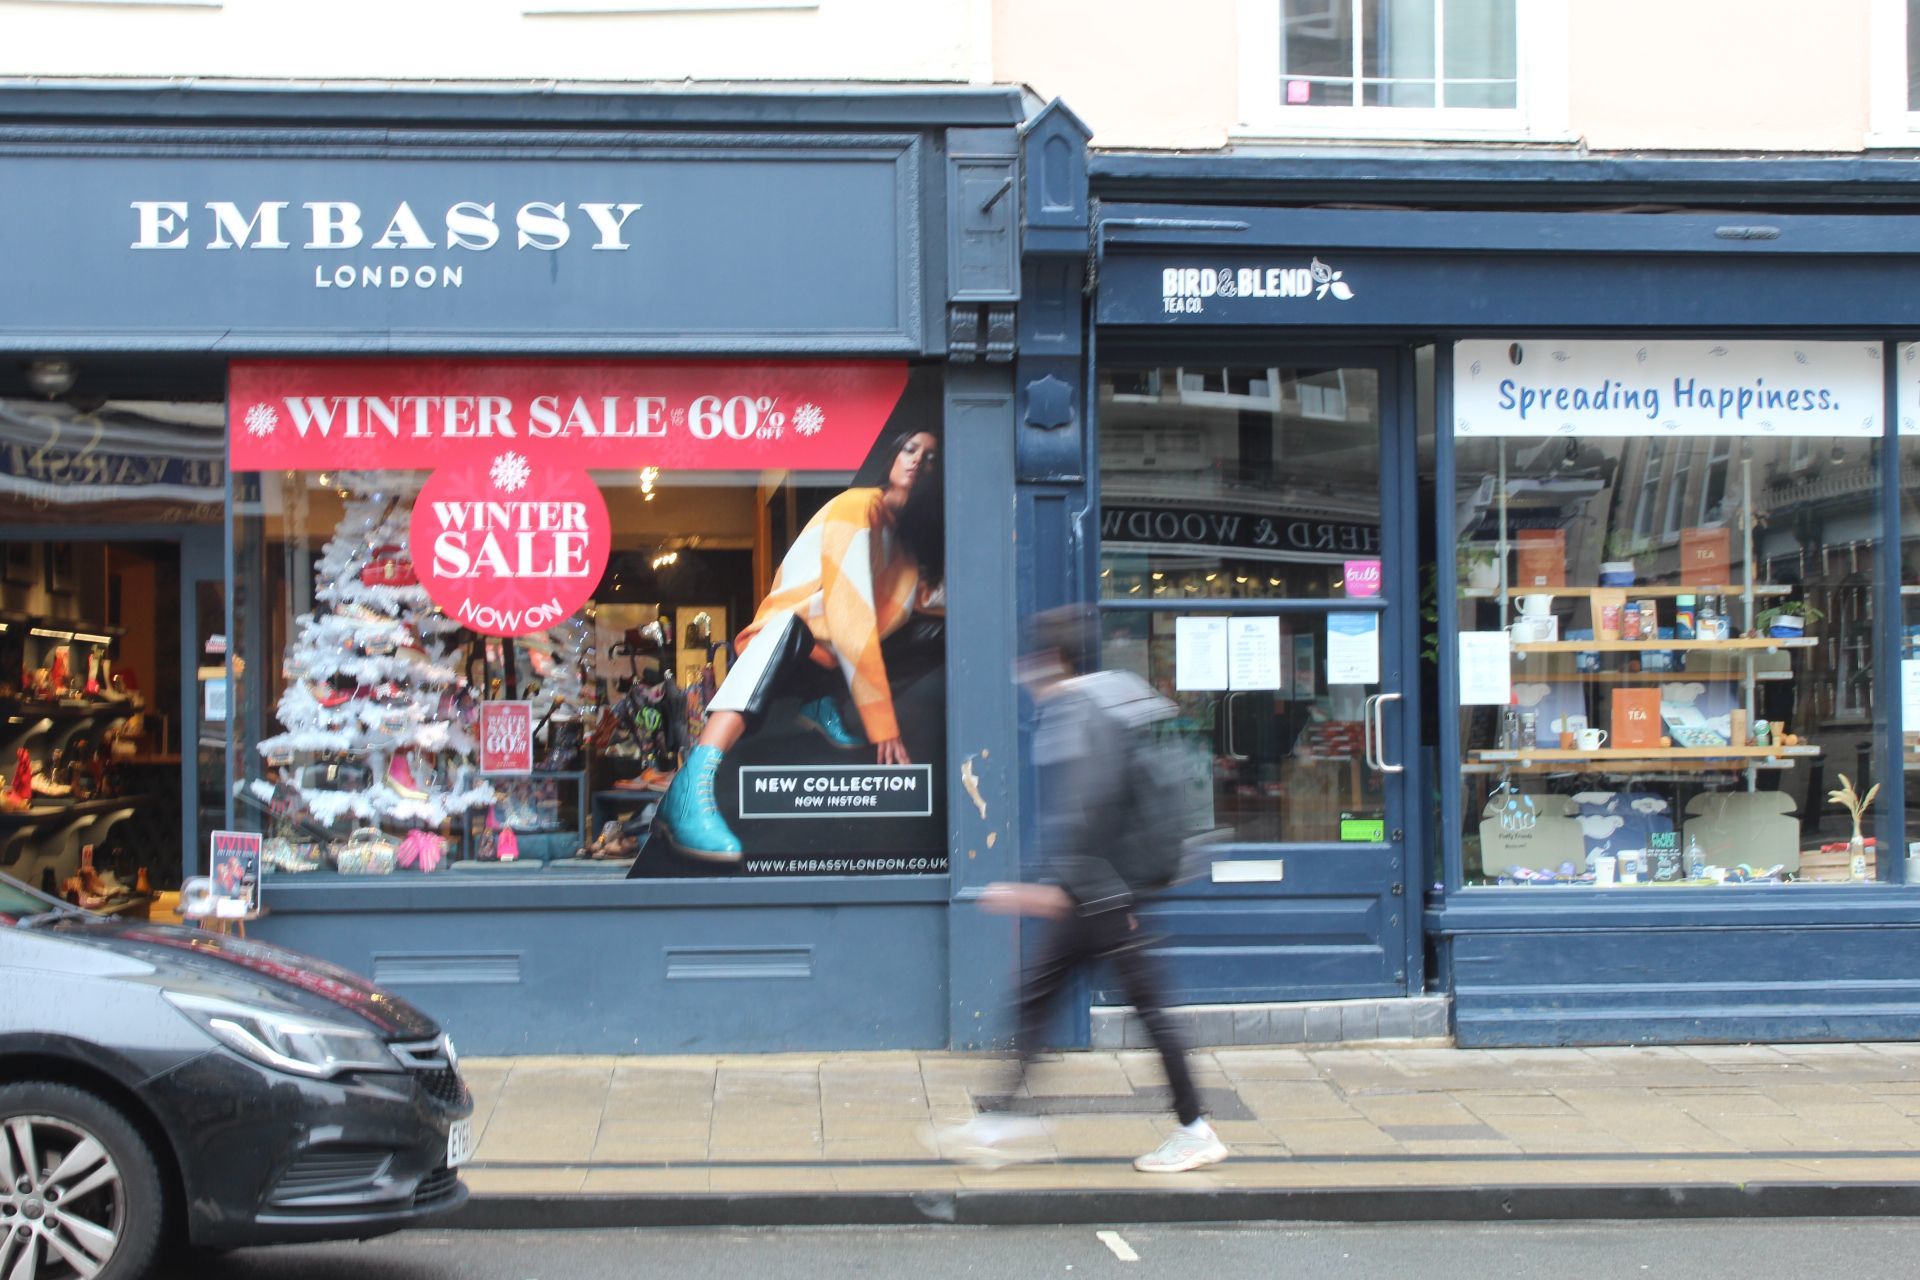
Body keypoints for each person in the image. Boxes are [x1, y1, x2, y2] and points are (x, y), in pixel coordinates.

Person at [930, 604, 1228, 1174]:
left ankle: (1194, 1128)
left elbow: (1086, 806)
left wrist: (1049, 890)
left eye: (1029, 660)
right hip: (1106, 891)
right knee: (1039, 995)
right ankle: (1000, 1116)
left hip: (1101, 894)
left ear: (1048, 661)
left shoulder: (1077, 710)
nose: (1022, 672)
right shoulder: (1109, 700)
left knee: (1143, 1008)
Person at [653, 429, 943, 862]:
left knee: (934, 632)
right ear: (891, 457)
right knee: (787, 627)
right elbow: (848, 614)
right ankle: (691, 783)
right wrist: (884, 724)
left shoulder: (902, 551)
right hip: (783, 646)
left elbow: (921, 606)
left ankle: (821, 702)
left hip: (825, 661)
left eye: (930, 457)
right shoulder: (856, 505)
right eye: (910, 449)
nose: (918, 460)